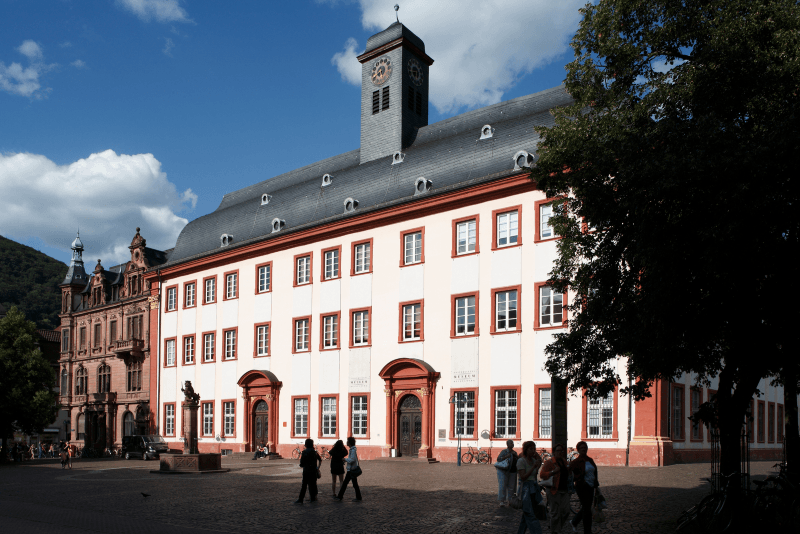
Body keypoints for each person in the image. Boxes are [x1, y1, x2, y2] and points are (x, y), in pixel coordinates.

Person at [568, 441, 599, 534]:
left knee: (587, 507)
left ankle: (574, 522)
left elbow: (595, 472)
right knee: (587, 510)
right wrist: (578, 479)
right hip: (581, 487)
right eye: (581, 448)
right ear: (578, 450)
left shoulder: (590, 460)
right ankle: (587, 531)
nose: (583, 449)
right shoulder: (576, 462)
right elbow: (570, 475)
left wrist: (596, 485)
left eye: (585, 448)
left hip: (591, 486)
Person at [540, 443, 570, 533]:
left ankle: (557, 528)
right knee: (554, 514)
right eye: (558, 450)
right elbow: (542, 475)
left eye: (561, 451)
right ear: (554, 452)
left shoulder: (564, 462)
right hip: (553, 490)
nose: (560, 452)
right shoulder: (549, 462)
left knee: (566, 511)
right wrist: (553, 472)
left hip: (564, 490)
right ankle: (554, 531)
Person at [516, 441, 543, 534]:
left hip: (533, 487)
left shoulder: (534, 461)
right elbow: (523, 477)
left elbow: (540, 462)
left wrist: (537, 458)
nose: (533, 451)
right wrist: (533, 468)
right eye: (531, 449)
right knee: (530, 514)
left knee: (527, 514)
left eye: (534, 449)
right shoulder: (521, 461)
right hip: (525, 488)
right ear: (526, 450)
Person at [294, 438, 322, 504]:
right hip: (313, 470)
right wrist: (318, 467)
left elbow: (302, 463)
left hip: (306, 470)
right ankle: (312, 498)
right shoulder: (315, 452)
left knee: (304, 485)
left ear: (306, 444)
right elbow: (320, 459)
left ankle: (301, 499)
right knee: (312, 484)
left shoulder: (304, 452)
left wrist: (303, 464)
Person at [335, 436, 362, 501]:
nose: (346, 442)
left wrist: (345, 459)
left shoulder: (352, 450)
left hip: (351, 470)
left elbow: (352, 459)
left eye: (347, 441)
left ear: (349, 443)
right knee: (352, 484)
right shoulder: (352, 449)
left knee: (347, 484)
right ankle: (358, 497)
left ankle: (340, 497)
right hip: (351, 469)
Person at [495, 439, 518, 506]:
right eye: (511, 443)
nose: (512, 444)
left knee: (512, 487)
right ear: (507, 445)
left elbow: (518, 460)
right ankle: (502, 501)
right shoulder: (504, 451)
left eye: (512, 443)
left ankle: (510, 500)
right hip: (503, 471)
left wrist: (516, 456)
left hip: (513, 471)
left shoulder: (515, 452)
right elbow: (498, 459)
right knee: (503, 486)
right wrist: (506, 456)